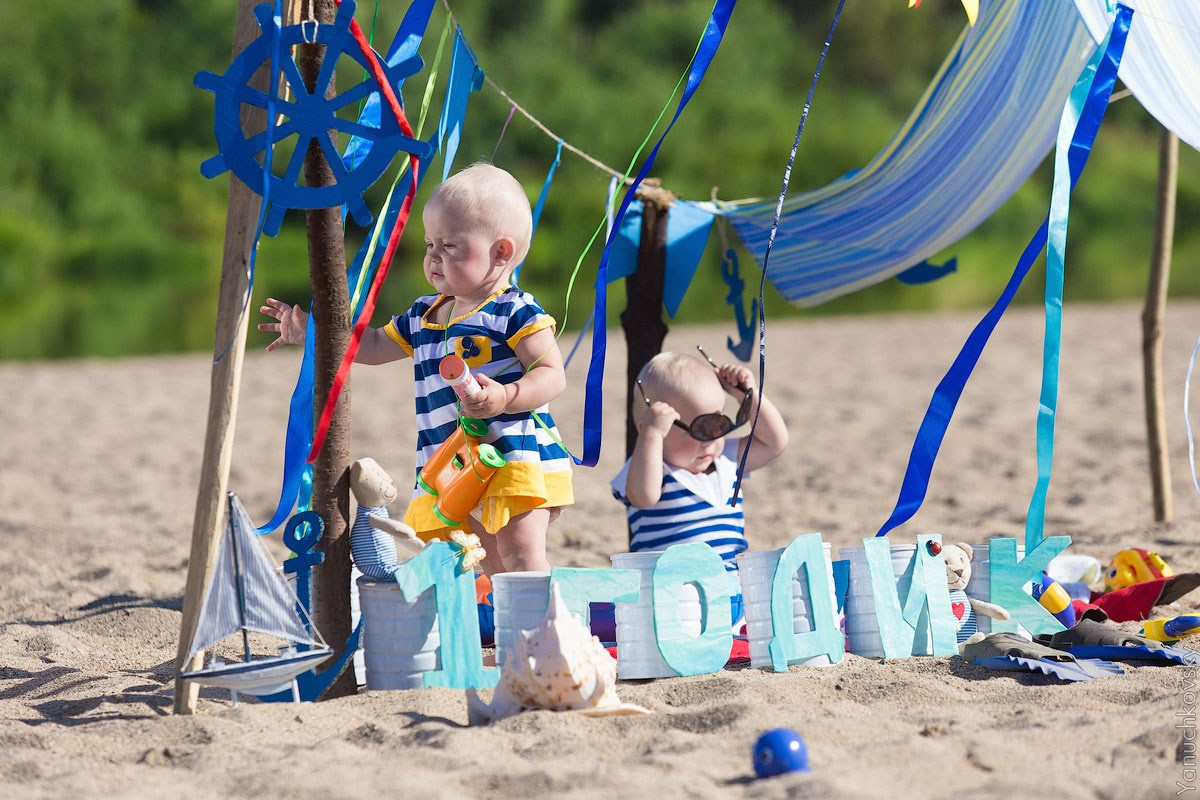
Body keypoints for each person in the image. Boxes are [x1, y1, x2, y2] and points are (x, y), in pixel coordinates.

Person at [259, 163, 572, 575]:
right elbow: (371, 346)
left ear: (501, 252)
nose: (433, 256)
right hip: (455, 463)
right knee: (488, 560)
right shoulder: (426, 313)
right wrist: (313, 333)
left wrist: (505, 396)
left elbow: (551, 372)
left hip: (512, 457)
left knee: (520, 555)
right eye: (429, 244)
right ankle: (510, 627)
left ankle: (540, 633)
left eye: (451, 245)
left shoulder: (513, 310)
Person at [609, 349, 788, 628]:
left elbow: (775, 442)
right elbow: (643, 496)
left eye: (717, 423)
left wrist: (747, 396)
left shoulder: (726, 459)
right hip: (675, 598)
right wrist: (651, 437)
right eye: (696, 429)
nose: (710, 439)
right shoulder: (652, 470)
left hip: (731, 591)